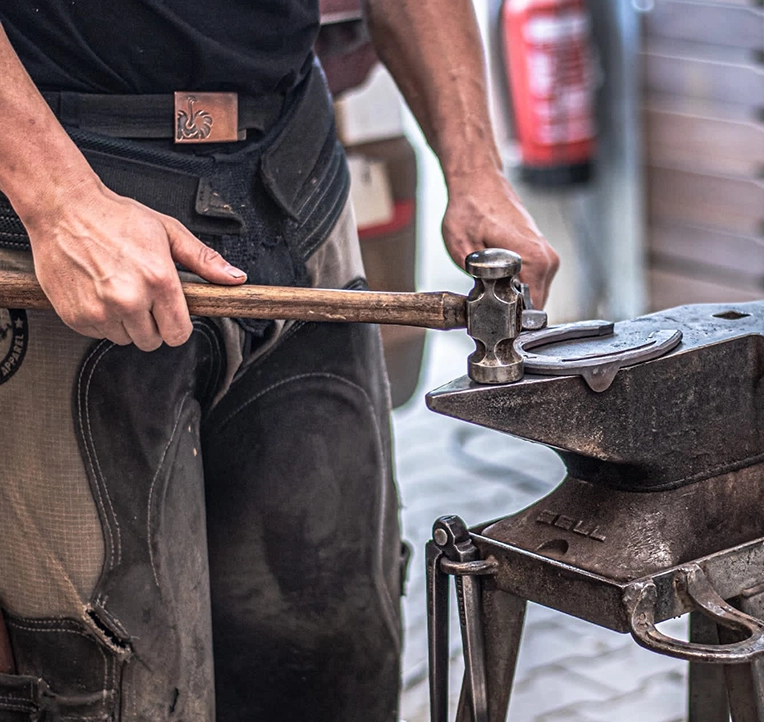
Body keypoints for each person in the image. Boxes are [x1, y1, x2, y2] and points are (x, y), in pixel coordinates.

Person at [0, 1, 559, 720]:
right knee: (112, 683)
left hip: (292, 176)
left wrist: (476, 169)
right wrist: (59, 202)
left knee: (332, 647)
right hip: (58, 199)